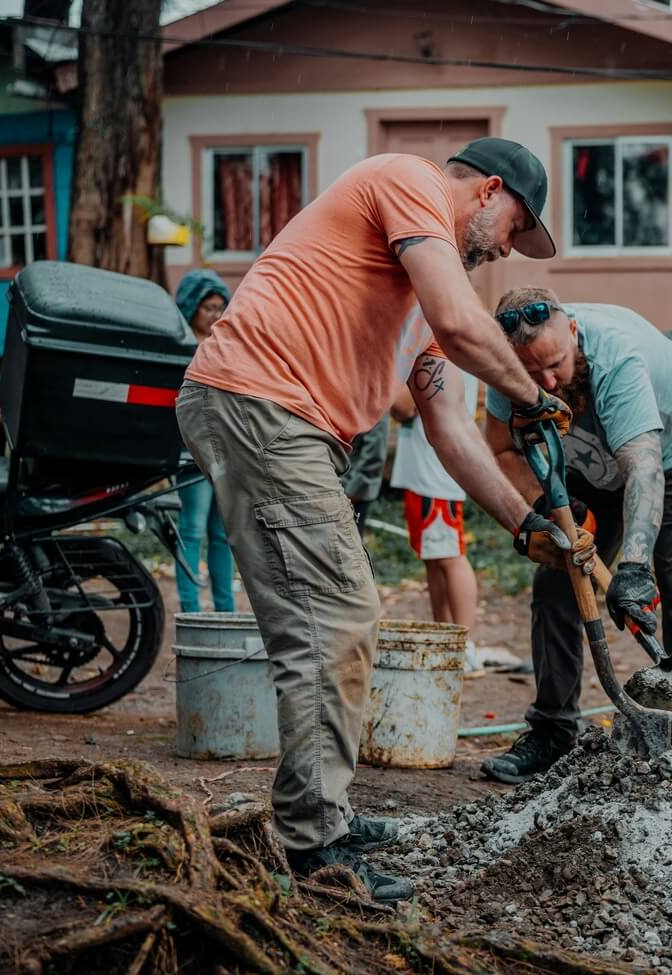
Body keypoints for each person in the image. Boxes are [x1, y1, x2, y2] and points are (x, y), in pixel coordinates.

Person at [174, 138, 579, 902]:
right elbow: (466, 326)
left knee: (325, 624)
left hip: (284, 422)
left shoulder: (422, 303)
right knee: (336, 621)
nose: (503, 252)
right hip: (261, 405)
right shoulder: (407, 180)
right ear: (488, 191)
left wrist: (524, 524)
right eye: (513, 228)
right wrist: (530, 393)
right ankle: (313, 845)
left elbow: (450, 429)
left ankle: (318, 814)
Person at [478, 287, 672, 784]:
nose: (548, 381)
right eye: (533, 374)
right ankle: (552, 733)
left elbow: (644, 470)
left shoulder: (617, 358)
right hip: (592, 467)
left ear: (572, 330)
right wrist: (545, 508)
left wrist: (634, 568)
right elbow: (501, 450)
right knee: (555, 583)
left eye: (556, 364)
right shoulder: (505, 368)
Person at [388, 305, 482, 671]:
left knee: (449, 555)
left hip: (434, 471)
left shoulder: (435, 341)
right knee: (434, 557)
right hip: (425, 469)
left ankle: (464, 642)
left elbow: (401, 406)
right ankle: (444, 635)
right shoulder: (439, 337)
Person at [172, 269, 236, 614]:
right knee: (192, 531)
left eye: (220, 307)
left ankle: (226, 612)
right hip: (192, 456)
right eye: (208, 307)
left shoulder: (227, 347)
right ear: (191, 307)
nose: (215, 314)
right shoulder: (180, 348)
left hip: (227, 454)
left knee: (224, 536)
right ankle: (191, 609)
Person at [341, 418, 392, 534]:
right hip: (341, 486)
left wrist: (352, 492)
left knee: (348, 544)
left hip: (352, 491)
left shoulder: (375, 402)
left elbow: (374, 454)